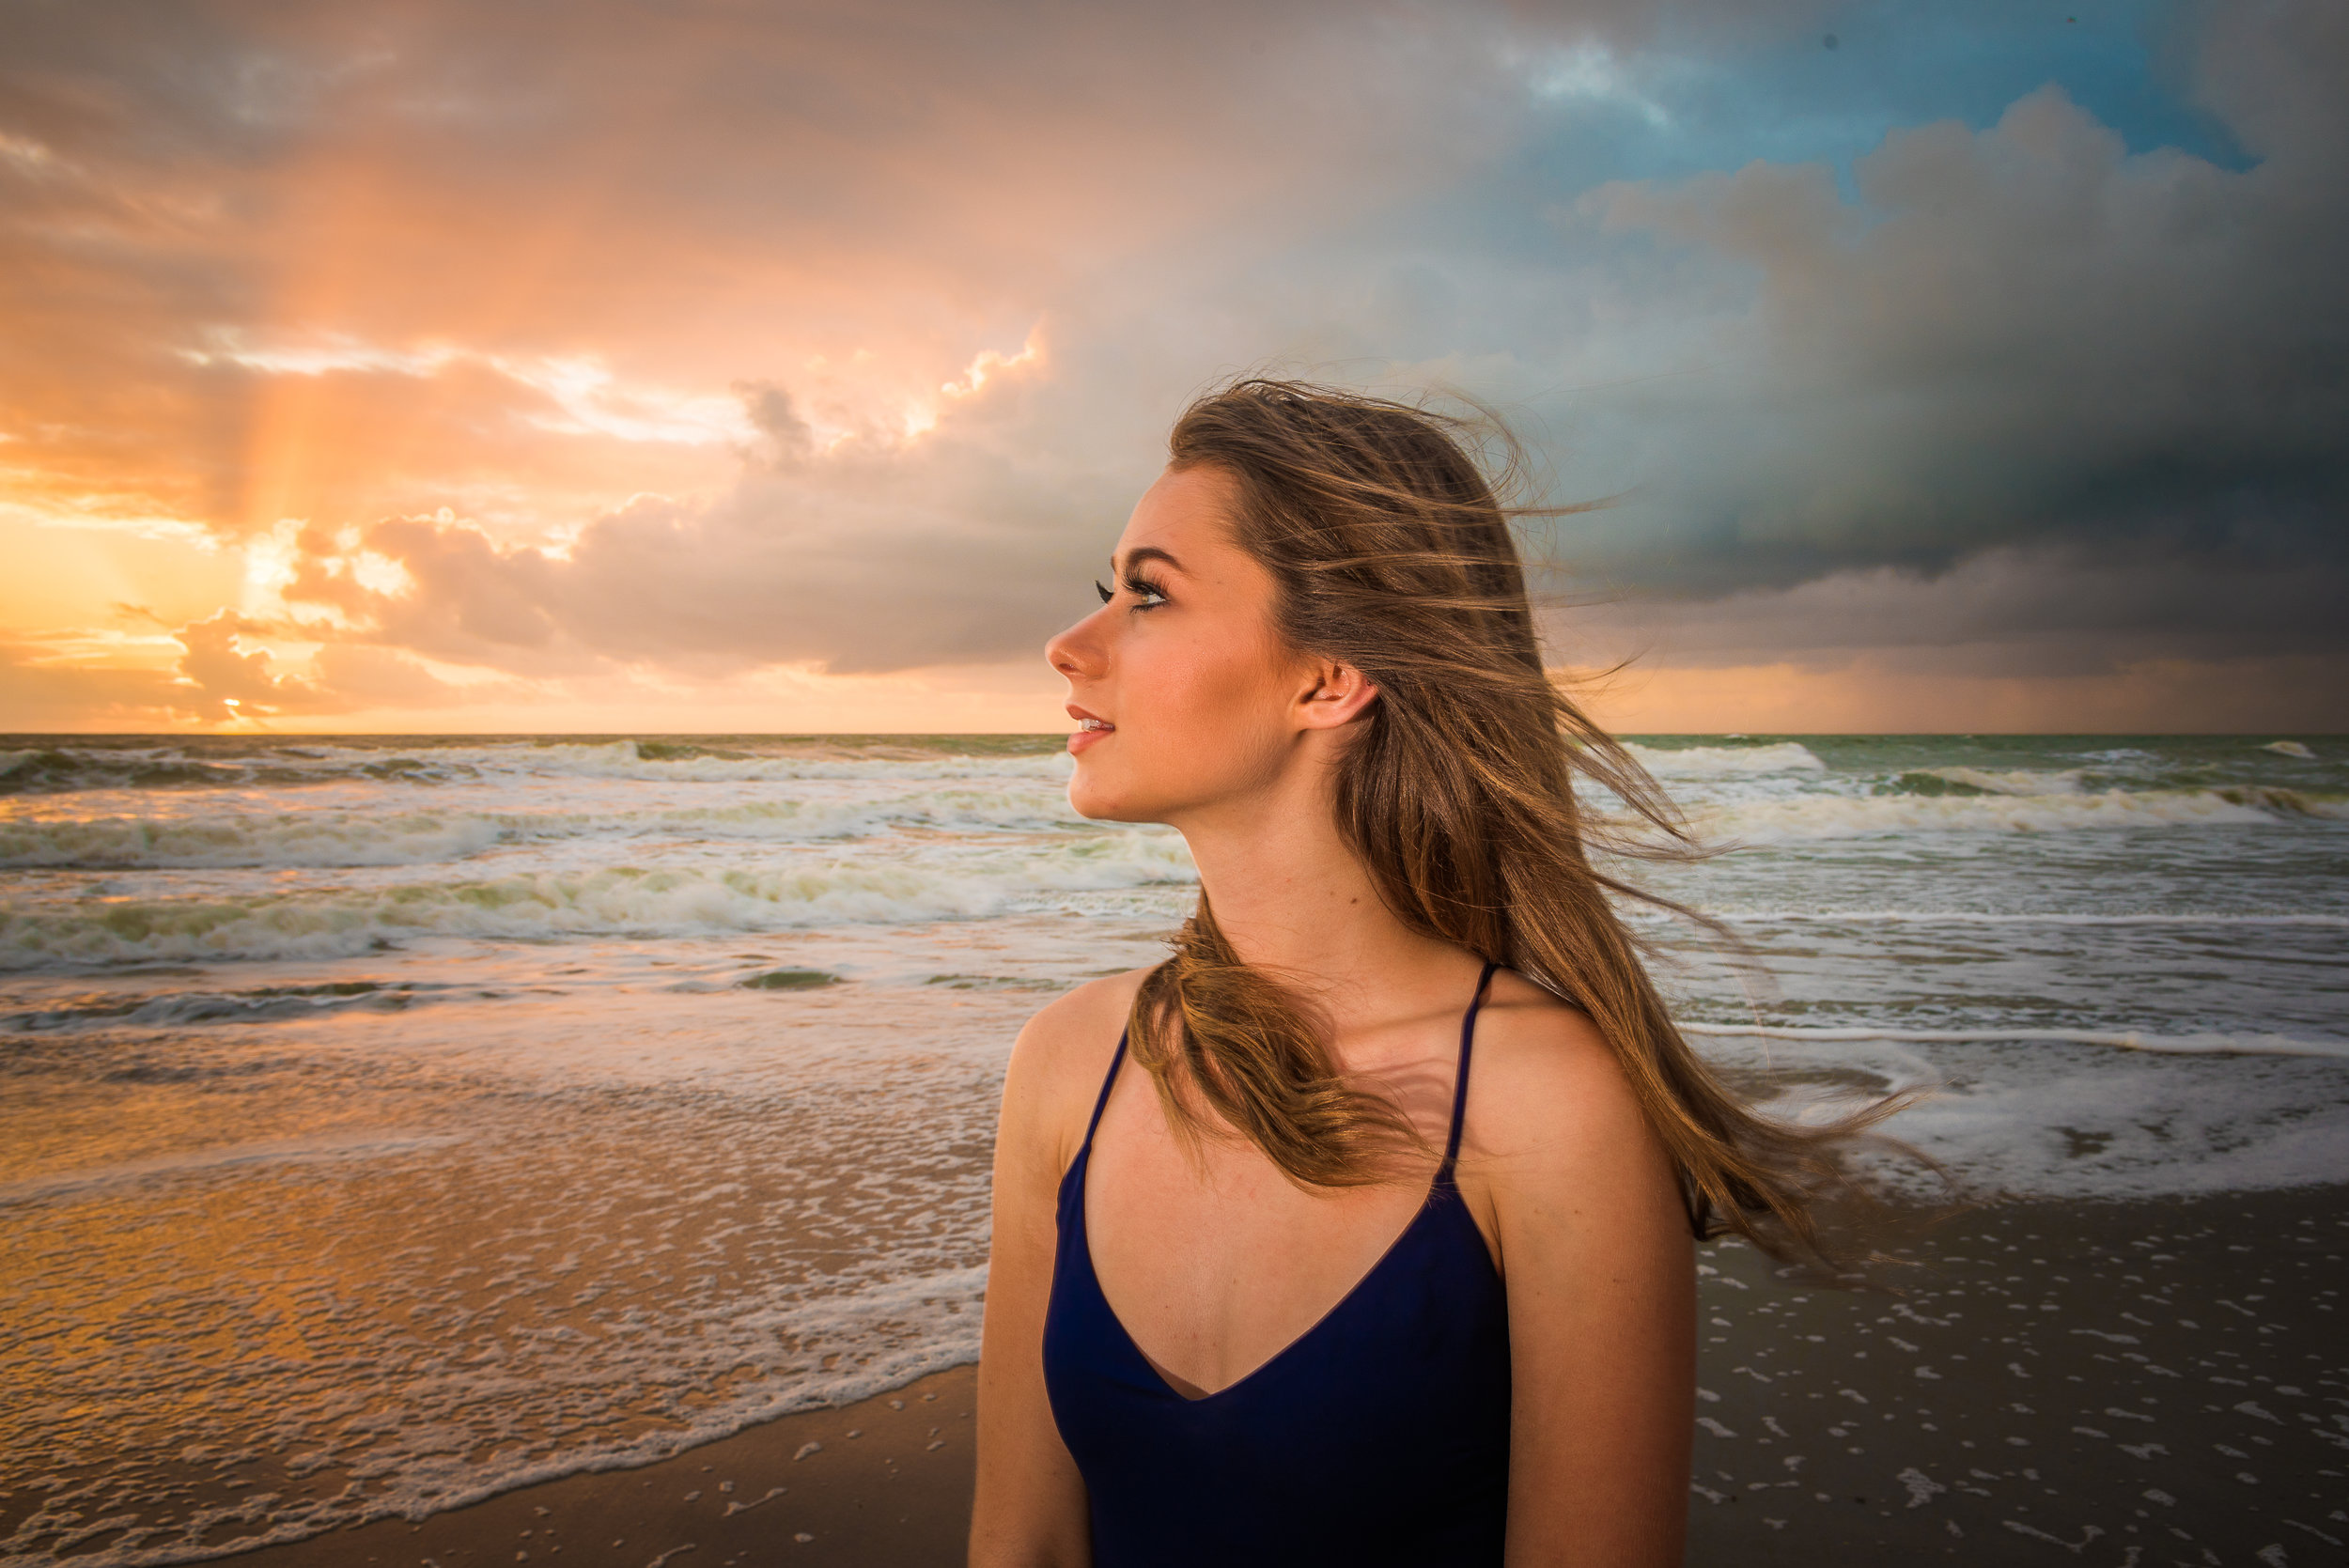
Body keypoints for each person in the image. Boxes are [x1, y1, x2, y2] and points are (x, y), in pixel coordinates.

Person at [969, 380, 1884, 1567]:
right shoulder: (1069, 1064)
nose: (1069, 643)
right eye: (1109, 591)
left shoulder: (1548, 1106)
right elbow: (1020, 1544)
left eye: (1148, 594)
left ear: (1328, 676)